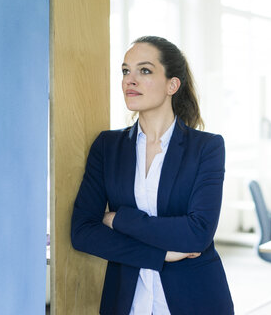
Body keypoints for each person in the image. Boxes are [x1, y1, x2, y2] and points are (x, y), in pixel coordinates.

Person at [71, 36, 234, 315]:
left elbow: (197, 234)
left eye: (144, 70)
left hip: (196, 300)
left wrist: (117, 219)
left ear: (172, 84)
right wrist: (161, 255)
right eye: (125, 71)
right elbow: (83, 232)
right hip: (126, 303)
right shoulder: (107, 147)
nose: (129, 80)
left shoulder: (206, 147)